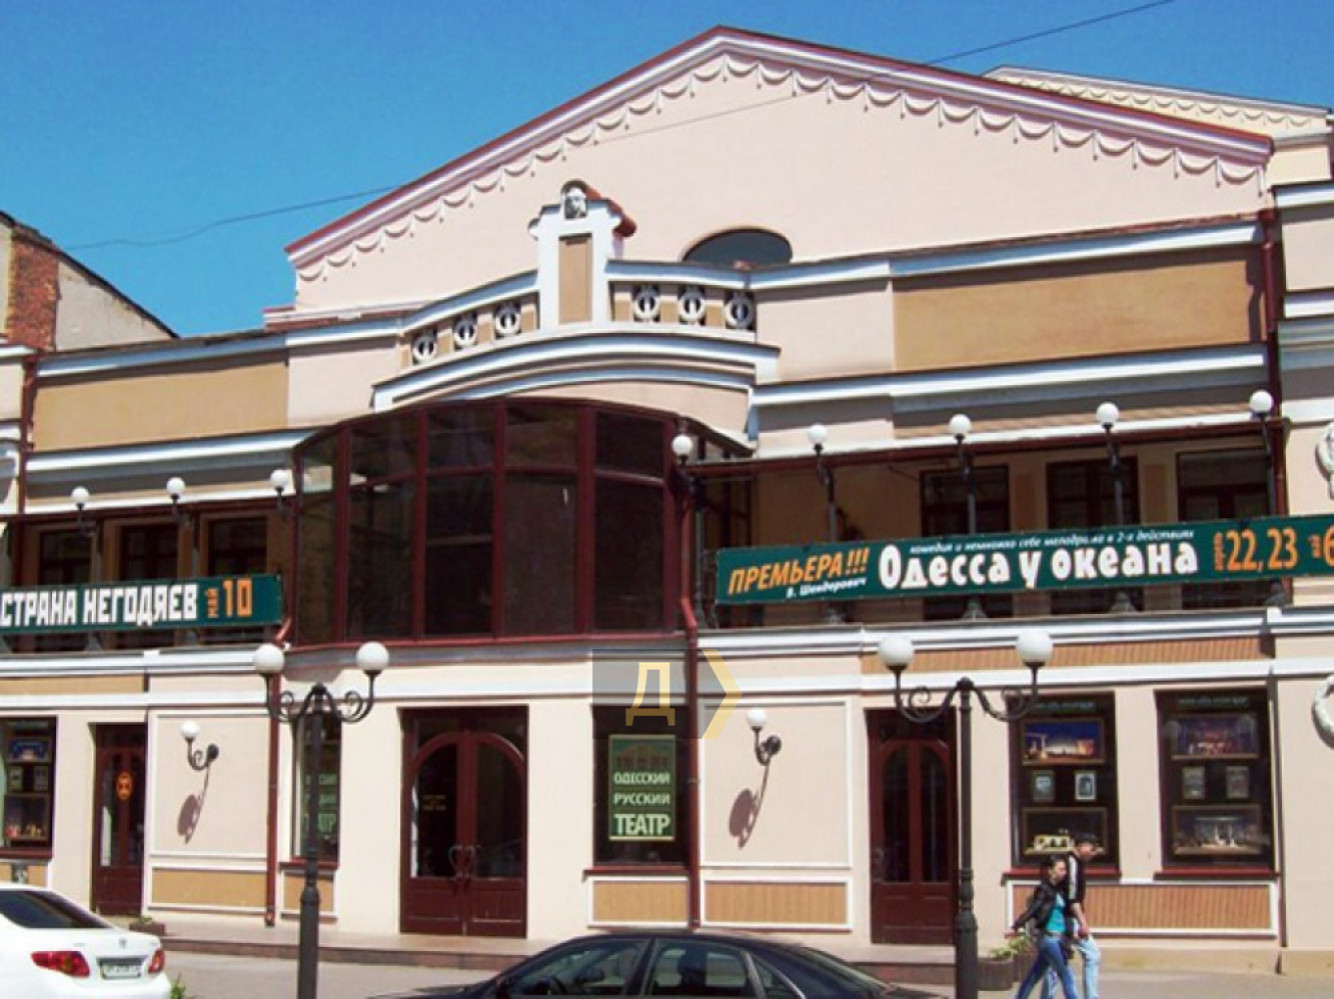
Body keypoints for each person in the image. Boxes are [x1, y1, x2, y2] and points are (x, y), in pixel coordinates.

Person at [1007, 855, 1078, 999]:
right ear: (1050, 871)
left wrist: (1072, 932)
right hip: (1049, 938)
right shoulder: (1044, 889)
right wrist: (1015, 926)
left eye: (1065, 869)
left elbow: (1066, 914)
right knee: (1066, 975)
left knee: (1034, 975)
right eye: (1061, 869)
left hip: (1058, 939)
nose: (1064, 873)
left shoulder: (1060, 890)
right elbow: (1033, 909)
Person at [1041, 832, 1102, 999]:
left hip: (1062, 918)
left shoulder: (1073, 863)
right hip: (1065, 918)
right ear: (1081, 846)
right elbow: (1072, 899)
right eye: (1092, 848)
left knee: (1056, 961)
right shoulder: (1071, 864)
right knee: (1091, 954)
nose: (1094, 852)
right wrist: (1083, 924)